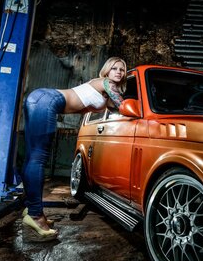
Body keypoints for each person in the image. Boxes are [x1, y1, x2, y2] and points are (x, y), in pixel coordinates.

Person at [21, 56, 127, 241]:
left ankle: (31, 210)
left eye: (122, 69)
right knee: (37, 159)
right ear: (107, 71)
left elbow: (115, 109)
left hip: (38, 98)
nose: (118, 72)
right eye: (114, 68)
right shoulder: (106, 83)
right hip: (48, 100)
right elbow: (123, 105)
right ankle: (36, 217)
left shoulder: (102, 90)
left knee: (32, 157)